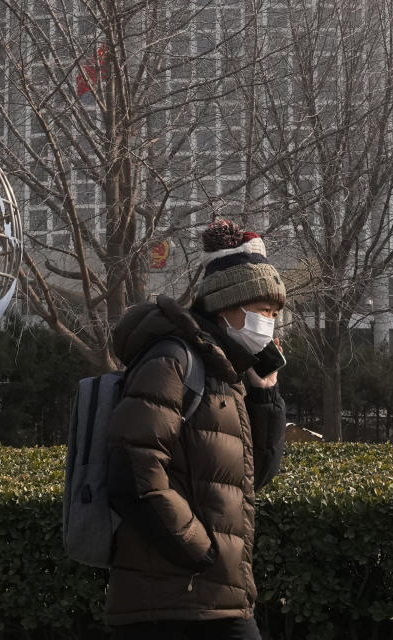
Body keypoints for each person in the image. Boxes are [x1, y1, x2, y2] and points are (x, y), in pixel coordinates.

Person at [105, 219, 288, 640]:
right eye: (264, 311)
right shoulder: (173, 360)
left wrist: (265, 396)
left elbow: (253, 478)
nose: (271, 323)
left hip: (216, 598)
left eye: (276, 314)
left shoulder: (228, 374)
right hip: (169, 602)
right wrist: (198, 549)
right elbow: (132, 465)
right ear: (228, 306)